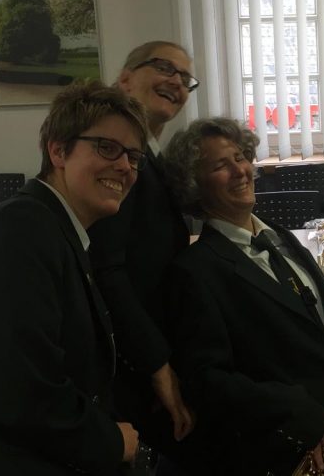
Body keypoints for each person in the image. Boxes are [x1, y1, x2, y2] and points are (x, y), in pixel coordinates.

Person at [0, 83, 150, 475]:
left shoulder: (54, 229)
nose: (125, 166)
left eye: (133, 155)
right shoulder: (18, 231)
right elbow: (22, 395)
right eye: (107, 148)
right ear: (58, 151)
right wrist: (111, 441)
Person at [160, 117, 324, 476]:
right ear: (194, 186)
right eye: (220, 165)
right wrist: (295, 411)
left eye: (241, 157)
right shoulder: (194, 271)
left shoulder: (281, 238)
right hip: (286, 444)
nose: (240, 170)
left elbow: (296, 333)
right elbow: (206, 382)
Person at [87, 41, 197, 449]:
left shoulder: (148, 158)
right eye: (165, 68)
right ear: (126, 78)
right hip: (129, 363)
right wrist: (158, 366)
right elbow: (107, 271)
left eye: (185, 78)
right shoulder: (118, 161)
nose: (176, 82)